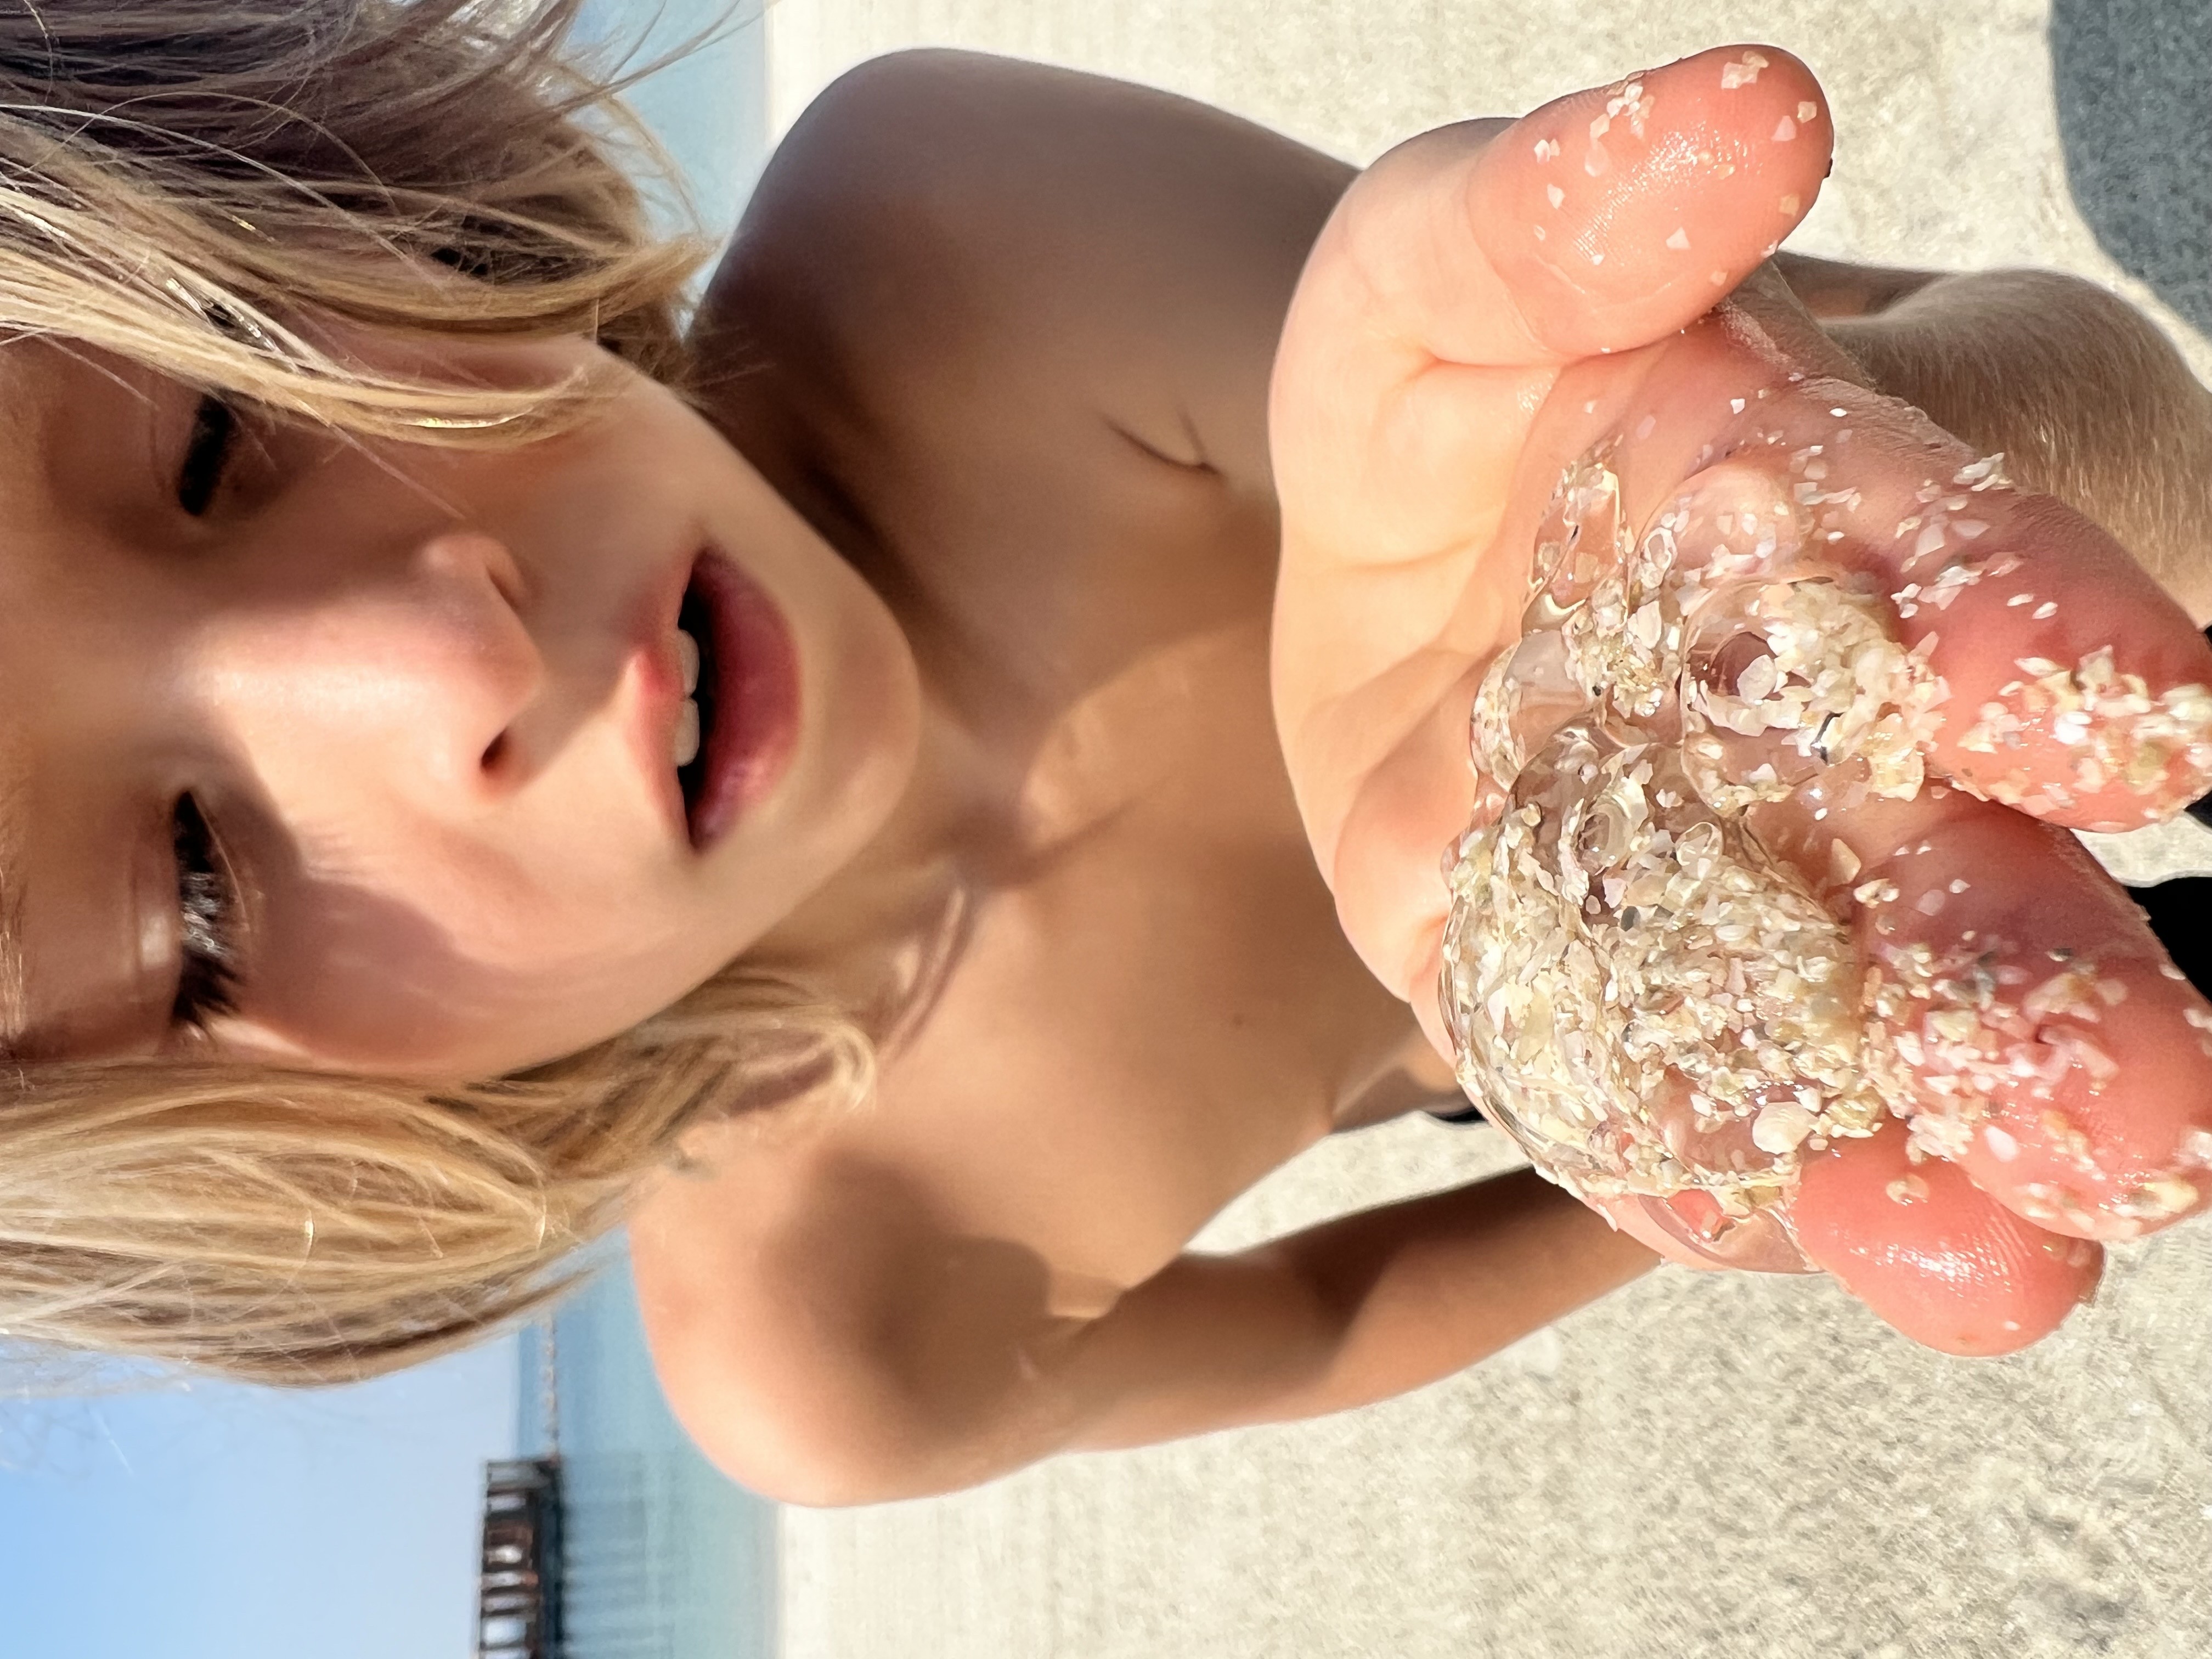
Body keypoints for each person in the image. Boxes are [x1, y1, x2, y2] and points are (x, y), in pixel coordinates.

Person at [2, 2, 2206, 1505]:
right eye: (193, 890)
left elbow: (2059, 387)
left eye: (219, 430)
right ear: (258, 1186)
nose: (439, 654)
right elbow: (1321, 1323)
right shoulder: (838, 1334)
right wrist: (1665, 1189)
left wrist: (1751, 543)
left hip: (1893, 506)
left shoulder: (948, 251)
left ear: (298, 197)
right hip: (1599, 1035)